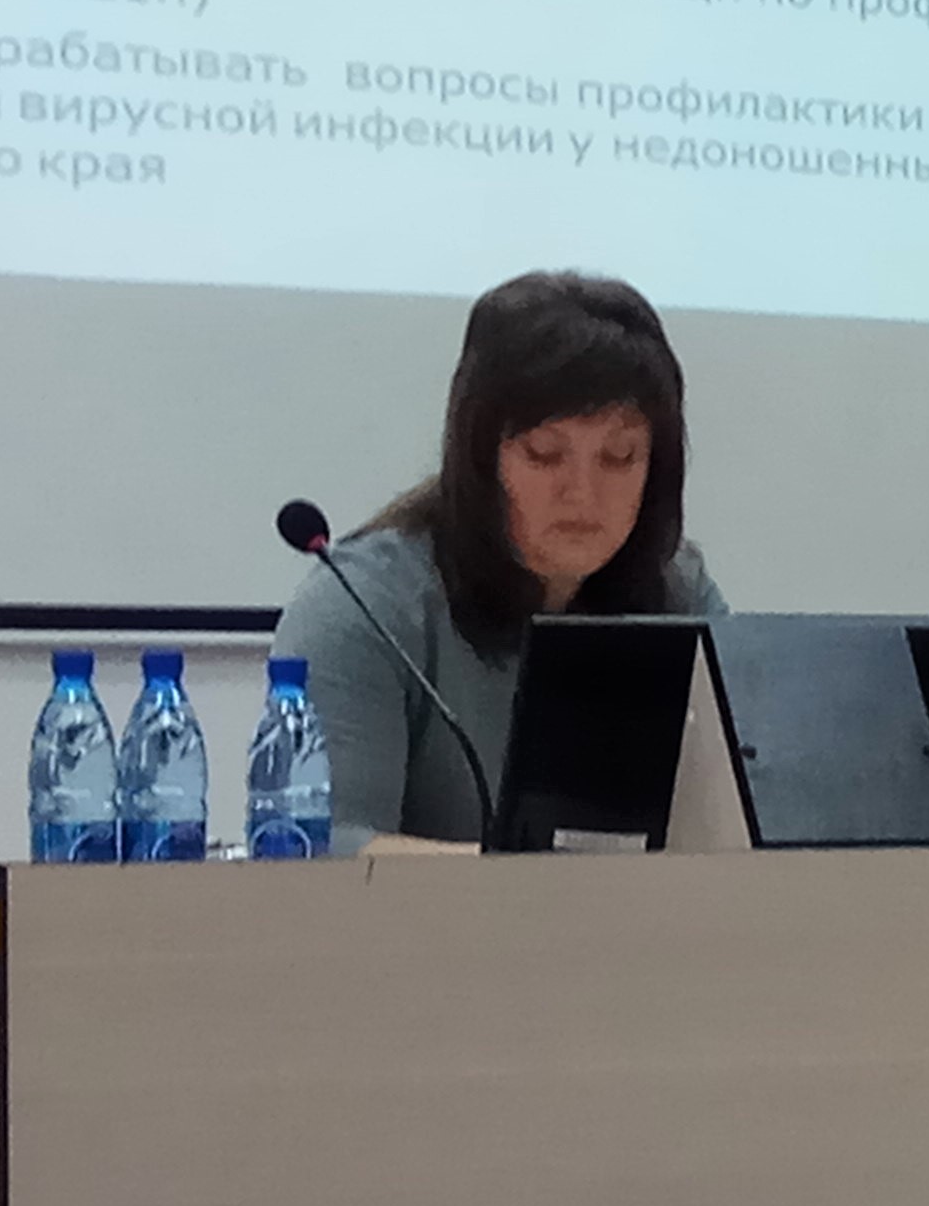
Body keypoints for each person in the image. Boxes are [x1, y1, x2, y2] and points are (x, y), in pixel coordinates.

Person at [273, 271, 725, 848]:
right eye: (545, 454)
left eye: (619, 457)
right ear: (481, 459)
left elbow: (746, 825)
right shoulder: (365, 605)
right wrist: (530, 885)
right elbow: (320, 847)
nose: (583, 493)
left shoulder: (679, 594)